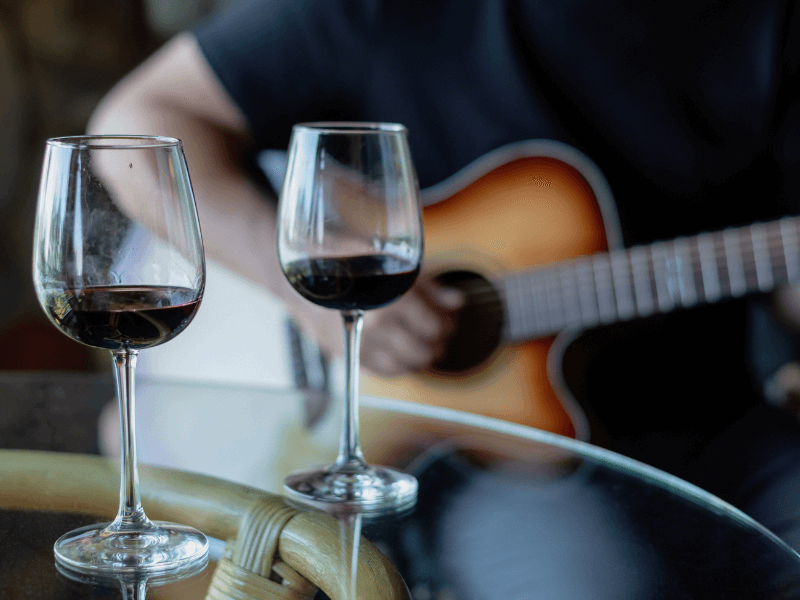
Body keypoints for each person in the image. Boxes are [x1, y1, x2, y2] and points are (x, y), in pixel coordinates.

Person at [86, 0, 800, 552]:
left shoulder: (770, 19)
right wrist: (298, 287)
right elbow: (138, 120)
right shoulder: (379, 9)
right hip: (477, 471)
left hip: (718, 426)